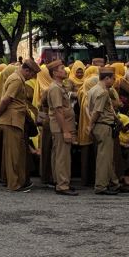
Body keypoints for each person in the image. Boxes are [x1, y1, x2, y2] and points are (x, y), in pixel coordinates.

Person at [0, 60, 35, 192]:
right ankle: (14, 184)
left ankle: (14, 181)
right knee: (13, 155)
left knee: (14, 153)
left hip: (14, 119)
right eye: (32, 74)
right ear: (27, 70)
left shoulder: (16, 78)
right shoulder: (17, 80)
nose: (31, 78)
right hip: (12, 120)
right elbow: (6, 99)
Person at [39, 59, 76, 196]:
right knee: (62, 156)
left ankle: (59, 181)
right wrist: (66, 130)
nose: (64, 70)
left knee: (59, 155)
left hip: (62, 127)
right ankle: (62, 185)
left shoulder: (58, 86)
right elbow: (58, 111)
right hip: (61, 127)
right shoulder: (55, 88)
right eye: (61, 68)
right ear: (54, 73)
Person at [87, 67, 120, 196]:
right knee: (104, 158)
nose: (113, 81)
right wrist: (90, 125)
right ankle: (101, 186)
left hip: (99, 126)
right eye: (113, 79)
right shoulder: (103, 92)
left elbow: (88, 108)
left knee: (106, 156)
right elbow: (97, 111)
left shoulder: (92, 90)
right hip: (103, 125)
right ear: (106, 78)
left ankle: (114, 182)